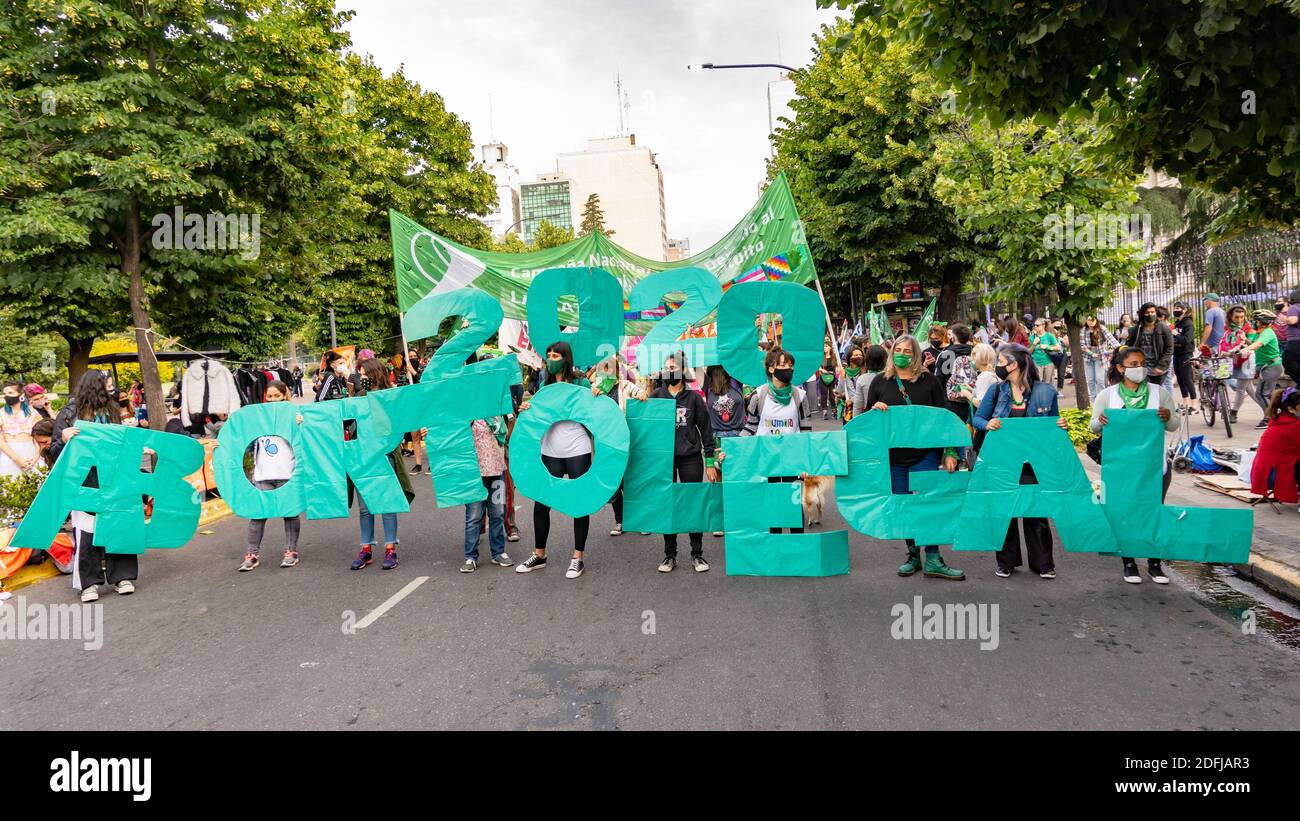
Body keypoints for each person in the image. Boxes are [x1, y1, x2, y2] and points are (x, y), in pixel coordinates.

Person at [863, 334, 965, 580]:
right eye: (899, 349)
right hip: (894, 459)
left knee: (927, 506)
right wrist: (874, 412)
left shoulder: (929, 381)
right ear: (891, 352)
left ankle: (933, 557)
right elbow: (866, 424)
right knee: (904, 508)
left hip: (925, 456)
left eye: (909, 351)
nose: (903, 354)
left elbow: (945, 418)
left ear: (916, 354)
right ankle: (912, 555)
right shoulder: (880, 382)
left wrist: (951, 452)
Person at [972, 345, 1067, 578]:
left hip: (1033, 464)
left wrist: (1061, 425)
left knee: (1035, 511)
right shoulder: (996, 391)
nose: (998, 366)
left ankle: (1043, 564)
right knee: (1005, 511)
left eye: (1001, 361)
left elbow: (1052, 424)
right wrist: (988, 424)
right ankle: (1006, 562)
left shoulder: (1045, 392)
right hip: (1003, 462)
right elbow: (978, 418)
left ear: (1014, 364)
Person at [1089, 346, 1180, 585]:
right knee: (1124, 514)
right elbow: (1093, 426)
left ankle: (1154, 563)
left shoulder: (1159, 393)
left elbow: (1174, 424)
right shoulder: (1108, 395)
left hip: (1154, 467)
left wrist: (1167, 417)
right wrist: (1101, 421)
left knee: (1153, 513)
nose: (1139, 368)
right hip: (1121, 469)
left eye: (1142, 363)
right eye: (1133, 364)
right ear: (1120, 368)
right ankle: (1128, 563)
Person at [50, 370, 135, 602]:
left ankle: (122, 577)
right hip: (84, 480)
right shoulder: (69, 413)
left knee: (118, 525)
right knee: (87, 531)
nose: (111, 389)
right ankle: (89, 583)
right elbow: (55, 450)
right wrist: (64, 438)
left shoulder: (112, 410)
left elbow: (122, 442)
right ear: (95, 387)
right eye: (107, 385)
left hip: (113, 477)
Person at [516, 341, 593, 579]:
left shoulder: (582, 383)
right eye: (548, 355)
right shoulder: (544, 385)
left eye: (556, 355)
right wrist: (527, 408)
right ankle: (540, 554)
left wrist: (596, 396)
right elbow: (537, 416)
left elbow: (594, 414)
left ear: (566, 358)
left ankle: (577, 557)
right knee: (541, 504)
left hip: (577, 448)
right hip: (551, 450)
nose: (551, 358)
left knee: (579, 502)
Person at [729, 347, 811, 535]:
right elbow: (750, 427)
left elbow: (806, 432)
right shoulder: (759, 395)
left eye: (790, 365)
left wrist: (806, 462)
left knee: (793, 503)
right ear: (771, 369)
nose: (788, 368)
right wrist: (733, 449)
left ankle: (796, 548)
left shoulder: (800, 396)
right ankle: (775, 549)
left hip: (793, 460)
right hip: (767, 459)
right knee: (772, 504)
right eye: (783, 365)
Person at [651, 352, 718, 573]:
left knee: (692, 503)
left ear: (682, 370)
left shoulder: (694, 399)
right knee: (668, 504)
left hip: (690, 457)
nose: (668, 370)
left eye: (672, 366)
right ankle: (669, 555)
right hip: (664, 460)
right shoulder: (656, 395)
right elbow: (645, 428)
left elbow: (707, 430)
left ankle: (697, 554)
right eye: (665, 367)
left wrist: (710, 462)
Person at [348, 359, 413, 571]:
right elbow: (348, 425)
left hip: (385, 457)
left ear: (376, 374)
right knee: (365, 508)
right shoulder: (358, 398)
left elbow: (399, 426)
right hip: (363, 460)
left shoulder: (390, 397)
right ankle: (365, 549)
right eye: (360, 375)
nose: (362, 379)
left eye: (365, 375)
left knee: (387, 504)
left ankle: (390, 548)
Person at [238, 381, 304, 571]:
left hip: (287, 473)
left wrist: (301, 423)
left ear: (284, 395)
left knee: (290, 513)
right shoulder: (257, 419)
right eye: (270, 396)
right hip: (263, 474)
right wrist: (224, 446)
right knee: (258, 514)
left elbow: (304, 439)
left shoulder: (293, 414)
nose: (273, 399)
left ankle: (291, 552)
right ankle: (252, 554)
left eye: (277, 395)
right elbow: (245, 443)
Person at [460, 411, 513, 573]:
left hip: (497, 471)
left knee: (498, 513)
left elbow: (510, 426)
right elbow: (451, 434)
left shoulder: (497, 410)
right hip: (475, 475)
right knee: (474, 516)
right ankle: (471, 556)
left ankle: (498, 552)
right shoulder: (468, 414)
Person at [1249, 388, 1300, 511]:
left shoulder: (1279, 419)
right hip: (1273, 476)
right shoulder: (1294, 425)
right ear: (1291, 409)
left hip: (1262, 475)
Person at [1242, 310, 1285, 428]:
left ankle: (1269, 419)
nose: (1254, 323)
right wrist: (1245, 341)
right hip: (1269, 367)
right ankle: (1276, 415)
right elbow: (1255, 343)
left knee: (1261, 394)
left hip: (1271, 367)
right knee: (1268, 394)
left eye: (1256, 320)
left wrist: (1247, 349)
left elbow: (1258, 344)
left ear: (1261, 322)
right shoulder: (1262, 332)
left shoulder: (1267, 332)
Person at [1218, 304, 1254, 424]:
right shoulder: (1228, 328)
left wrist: (1245, 340)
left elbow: (1254, 343)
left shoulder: (1249, 327)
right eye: (1236, 317)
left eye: (1241, 317)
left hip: (1246, 361)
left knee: (1241, 389)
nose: (1239, 320)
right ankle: (1269, 411)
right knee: (1251, 390)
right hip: (1232, 360)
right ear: (1231, 317)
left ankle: (1233, 412)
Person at [935, 324, 976, 423]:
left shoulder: (945, 354)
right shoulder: (976, 352)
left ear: (953, 337)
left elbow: (938, 381)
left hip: (950, 402)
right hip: (972, 402)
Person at [0, 381, 40, 478]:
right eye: (5, 393)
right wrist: (17, 459)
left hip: (31, 455)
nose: (6, 396)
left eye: (10, 393)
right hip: (9, 456)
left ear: (21, 395)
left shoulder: (33, 413)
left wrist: (36, 457)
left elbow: (39, 437)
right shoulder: (1, 413)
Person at [1131, 302, 1173, 391]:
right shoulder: (1137, 329)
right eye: (1147, 312)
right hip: (1142, 367)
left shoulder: (1164, 328)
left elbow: (1169, 349)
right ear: (1143, 314)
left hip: (1157, 368)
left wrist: (1161, 366)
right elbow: (1130, 346)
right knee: (1142, 393)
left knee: (1155, 393)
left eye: (1152, 312)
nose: (1150, 314)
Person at [1079, 316, 1120, 401]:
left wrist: (1120, 348)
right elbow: (1082, 345)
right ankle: (1093, 399)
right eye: (1088, 320)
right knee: (1090, 379)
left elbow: (1111, 339)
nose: (1090, 322)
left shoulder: (1102, 328)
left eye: (1092, 320)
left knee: (1100, 379)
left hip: (1100, 357)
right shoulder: (1083, 330)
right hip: (1088, 357)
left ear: (1096, 320)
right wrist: (1092, 353)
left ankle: (1102, 398)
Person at [1168, 302, 1198, 411]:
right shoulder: (1177, 323)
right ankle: (1185, 402)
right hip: (1176, 353)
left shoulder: (1188, 323)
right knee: (1180, 379)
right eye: (1175, 308)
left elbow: (1186, 340)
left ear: (1184, 310)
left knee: (1187, 378)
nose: (1175, 310)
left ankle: (1194, 404)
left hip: (1186, 354)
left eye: (1178, 308)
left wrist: (1176, 334)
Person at [852, 345, 888, 417]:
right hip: (888, 416)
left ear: (867, 360)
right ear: (884, 360)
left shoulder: (862, 379)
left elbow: (858, 406)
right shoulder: (891, 377)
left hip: (869, 417)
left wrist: (855, 424)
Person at [1028, 318, 1061, 392]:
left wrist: (1047, 347)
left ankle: (1048, 399)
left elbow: (1058, 348)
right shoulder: (1032, 337)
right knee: (1037, 383)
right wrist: (1034, 344)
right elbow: (1028, 352)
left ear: (1043, 326)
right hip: (1036, 363)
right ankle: (1039, 399)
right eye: (1034, 325)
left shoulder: (1049, 336)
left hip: (1048, 362)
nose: (1035, 327)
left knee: (1048, 383)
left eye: (1037, 325)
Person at [1281, 288, 1300, 387]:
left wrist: (1284, 318)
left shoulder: (1294, 307)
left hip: (1295, 342)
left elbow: (1292, 320)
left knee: (1287, 362)